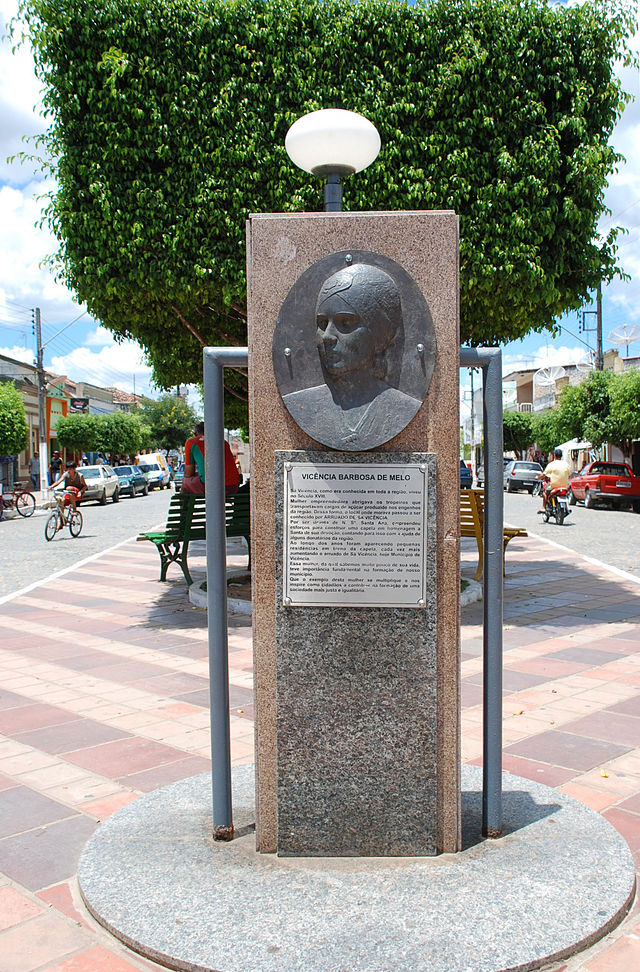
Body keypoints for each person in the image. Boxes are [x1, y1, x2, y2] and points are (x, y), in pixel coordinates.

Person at [281, 263, 421, 451]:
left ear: (379, 335)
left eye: (345, 322)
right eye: (322, 323)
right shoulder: (301, 405)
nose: (327, 336)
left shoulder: (403, 408)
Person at [181, 422, 240, 497]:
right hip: (233, 487)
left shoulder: (192, 442)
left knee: (185, 483)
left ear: (196, 433)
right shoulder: (223, 442)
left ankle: (184, 508)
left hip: (211, 487)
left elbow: (188, 473)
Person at [536, 448, 571, 513]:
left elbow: (544, 474)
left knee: (545, 492)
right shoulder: (566, 465)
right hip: (564, 486)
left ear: (554, 455)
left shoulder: (552, 464)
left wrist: (538, 477)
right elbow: (569, 474)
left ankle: (543, 507)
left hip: (554, 486)